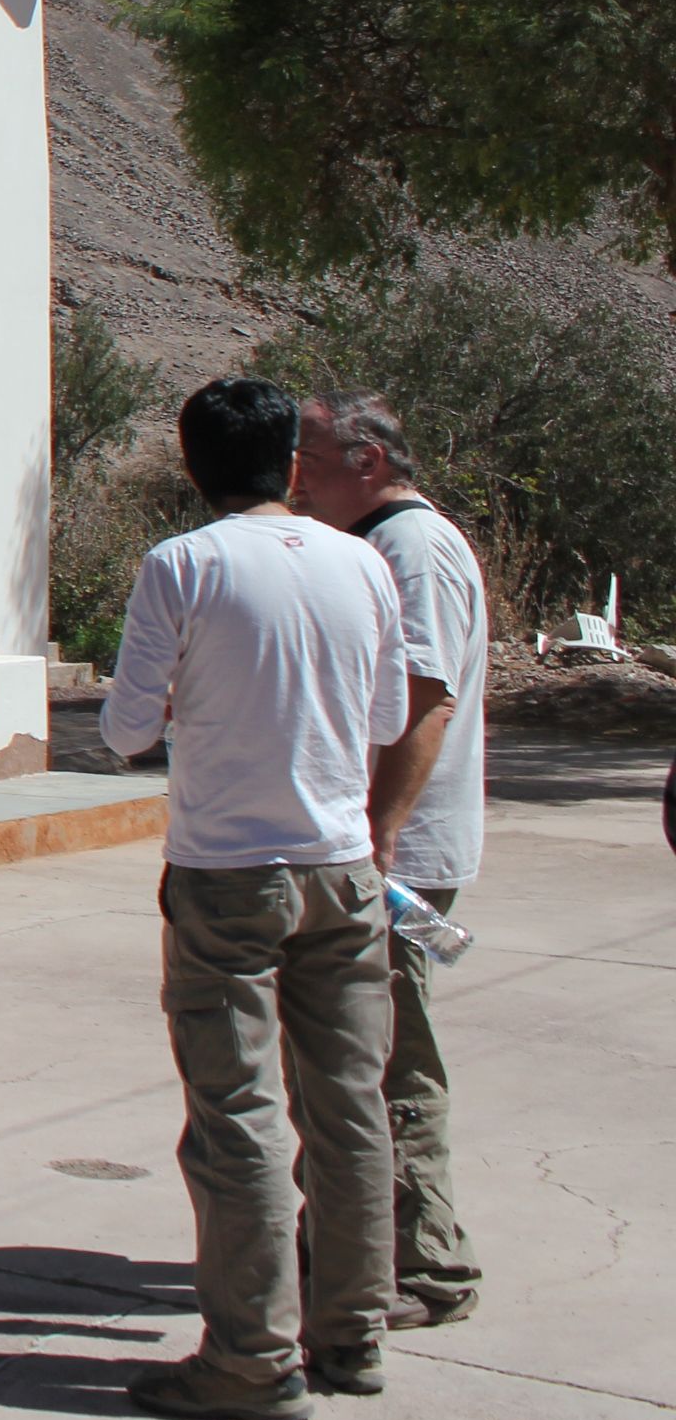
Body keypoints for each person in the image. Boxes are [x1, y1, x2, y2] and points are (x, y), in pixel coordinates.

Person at [103, 377, 409, 1420]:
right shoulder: (363, 563)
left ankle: (251, 1358)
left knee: (235, 1115)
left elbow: (125, 731)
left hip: (227, 872)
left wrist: (189, 692)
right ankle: (352, 1332)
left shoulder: (182, 565)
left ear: (193, 468)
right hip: (342, 867)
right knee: (349, 1105)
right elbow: (385, 716)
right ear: (288, 464)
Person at [294, 391, 487, 1328]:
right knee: (353, 1054)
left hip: (396, 854)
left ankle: (424, 1264)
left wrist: (377, 835)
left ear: (366, 461)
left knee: (388, 1060)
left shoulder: (410, 547)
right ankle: (350, 1246)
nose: (295, 475)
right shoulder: (382, 544)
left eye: (309, 456)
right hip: (380, 846)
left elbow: (424, 698)